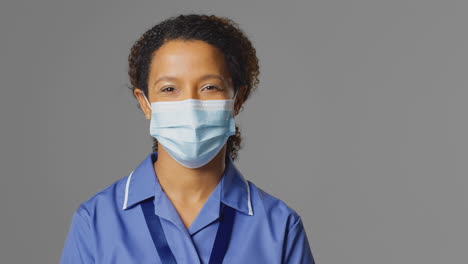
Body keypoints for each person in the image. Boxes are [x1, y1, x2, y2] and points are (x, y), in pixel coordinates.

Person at [60, 13, 315, 264]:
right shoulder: (95, 222)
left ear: (236, 100)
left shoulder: (279, 227)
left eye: (209, 87)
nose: (190, 105)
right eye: (169, 89)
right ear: (145, 103)